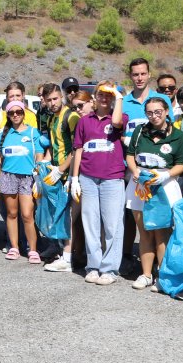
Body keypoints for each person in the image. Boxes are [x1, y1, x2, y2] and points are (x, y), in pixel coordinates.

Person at [124, 96, 183, 291]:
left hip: (164, 185)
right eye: (150, 113)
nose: (154, 116)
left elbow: (182, 163)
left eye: (158, 112)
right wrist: (135, 172)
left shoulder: (178, 136)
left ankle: (163, 275)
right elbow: (130, 155)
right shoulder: (140, 131)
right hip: (140, 185)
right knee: (144, 232)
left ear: (166, 111)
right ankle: (145, 274)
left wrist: (166, 175)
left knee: (161, 232)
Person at [71, 82, 125, 286]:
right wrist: (75, 178)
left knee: (112, 225)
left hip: (112, 178)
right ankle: (93, 266)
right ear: (95, 97)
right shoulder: (84, 121)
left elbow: (118, 121)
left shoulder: (119, 117)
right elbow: (78, 149)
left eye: (108, 95)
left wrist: (118, 96)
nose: (104, 98)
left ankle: (110, 268)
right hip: (88, 178)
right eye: (101, 94)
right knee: (90, 224)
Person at [0, 101, 49, 263]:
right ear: (8, 115)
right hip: (8, 176)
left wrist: (38, 177)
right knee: (11, 214)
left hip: (27, 178)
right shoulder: (5, 134)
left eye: (19, 112)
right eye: (12, 113)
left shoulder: (33, 133)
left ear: (24, 113)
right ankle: (14, 247)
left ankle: (33, 249)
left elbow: (39, 156)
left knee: (27, 214)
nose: (15, 115)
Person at [42, 83, 85, 273]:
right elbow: (54, 146)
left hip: (72, 174)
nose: (52, 103)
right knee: (62, 216)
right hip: (60, 174)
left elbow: (77, 148)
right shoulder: (52, 119)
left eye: (55, 98)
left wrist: (62, 170)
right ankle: (67, 254)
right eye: (49, 100)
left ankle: (68, 259)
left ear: (61, 97)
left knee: (68, 217)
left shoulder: (71, 116)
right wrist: (45, 165)